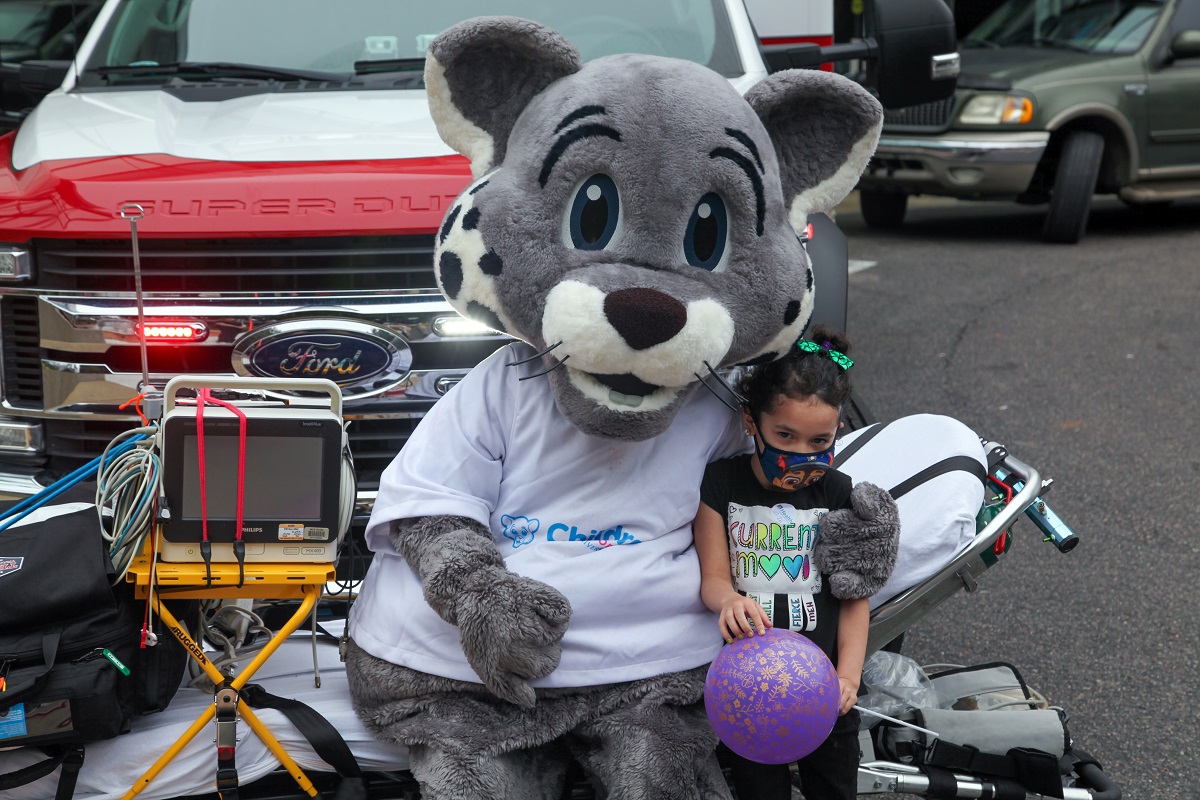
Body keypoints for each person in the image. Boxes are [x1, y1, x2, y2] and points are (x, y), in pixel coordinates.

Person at [694, 326, 891, 800]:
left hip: (825, 689)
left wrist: (848, 676)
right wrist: (728, 602)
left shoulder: (841, 493)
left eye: (818, 440)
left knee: (834, 789)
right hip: (750, 691)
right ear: (750, 421)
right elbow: (713, 580)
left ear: (838, 429)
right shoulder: (719, 484)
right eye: (784, 434)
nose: (800, 453)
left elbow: (853, 598)